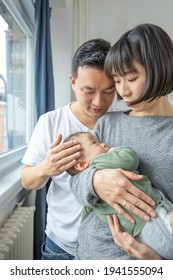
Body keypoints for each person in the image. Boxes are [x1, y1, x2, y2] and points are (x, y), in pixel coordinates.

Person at [70, 23, 173, 260]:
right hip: (84, 256)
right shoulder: (107, 123)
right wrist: (95, 180)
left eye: (132, 78)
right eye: (117, 80)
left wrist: (158, 263)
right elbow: (76, 184)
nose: (122, 91)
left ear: (161, 68)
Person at [21, 38, 118, 260]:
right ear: (73, 82)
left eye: (108, 91)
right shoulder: (50, 122)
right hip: (61, 248)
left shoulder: (122, 122)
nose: (98, 101)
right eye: (89, 90)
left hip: (110, 251)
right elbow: (27, 181)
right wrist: (46, 167)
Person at [65, 131, 173, 259]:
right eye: (95, 143)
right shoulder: (104, 162)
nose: (104, 144)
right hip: (151, 220)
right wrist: (116, 150)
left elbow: (86, 212)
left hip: (141, 234)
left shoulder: (95, 176)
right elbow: (129, 159)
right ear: (82, 164)